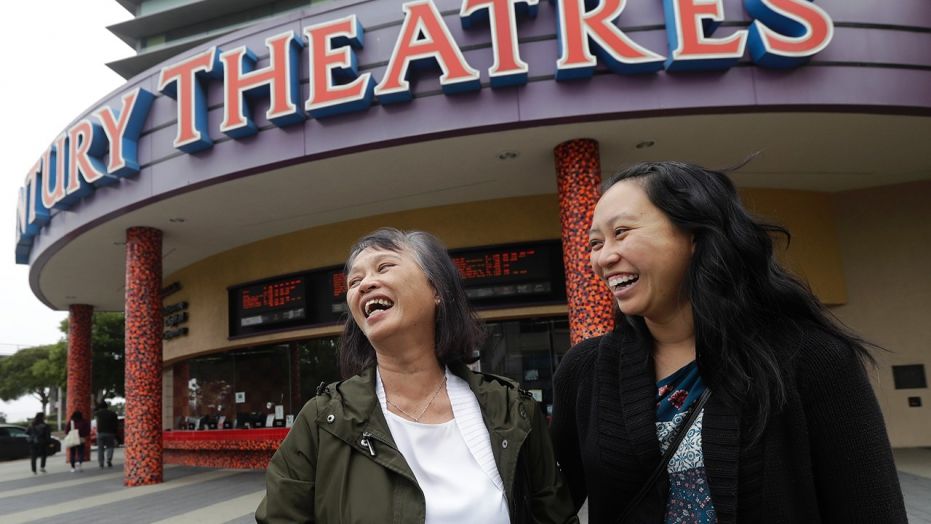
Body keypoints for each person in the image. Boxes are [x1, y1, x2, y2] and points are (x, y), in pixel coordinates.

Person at [551, 161, 907, 523]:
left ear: (694, 235)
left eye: (622, 232)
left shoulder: (812, 359)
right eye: (595, 242)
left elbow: (873, 509)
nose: (603, 257)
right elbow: (548, 504)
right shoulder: (584, 370)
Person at [257, 228, 577, 523]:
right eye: (354, 282)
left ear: (436, 289)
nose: (364, 284)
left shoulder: (512, 410)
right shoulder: (321, 421)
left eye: (384, 267)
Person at [95, 401, 119, 468]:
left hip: (100, 433)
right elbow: (116, 424)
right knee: (110, 447)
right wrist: (115, 433)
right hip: (110, 433)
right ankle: (109, 460)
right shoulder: (113, 414)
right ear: (107, 406)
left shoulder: (98, 414)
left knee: (100, 449)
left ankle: (101, 463)